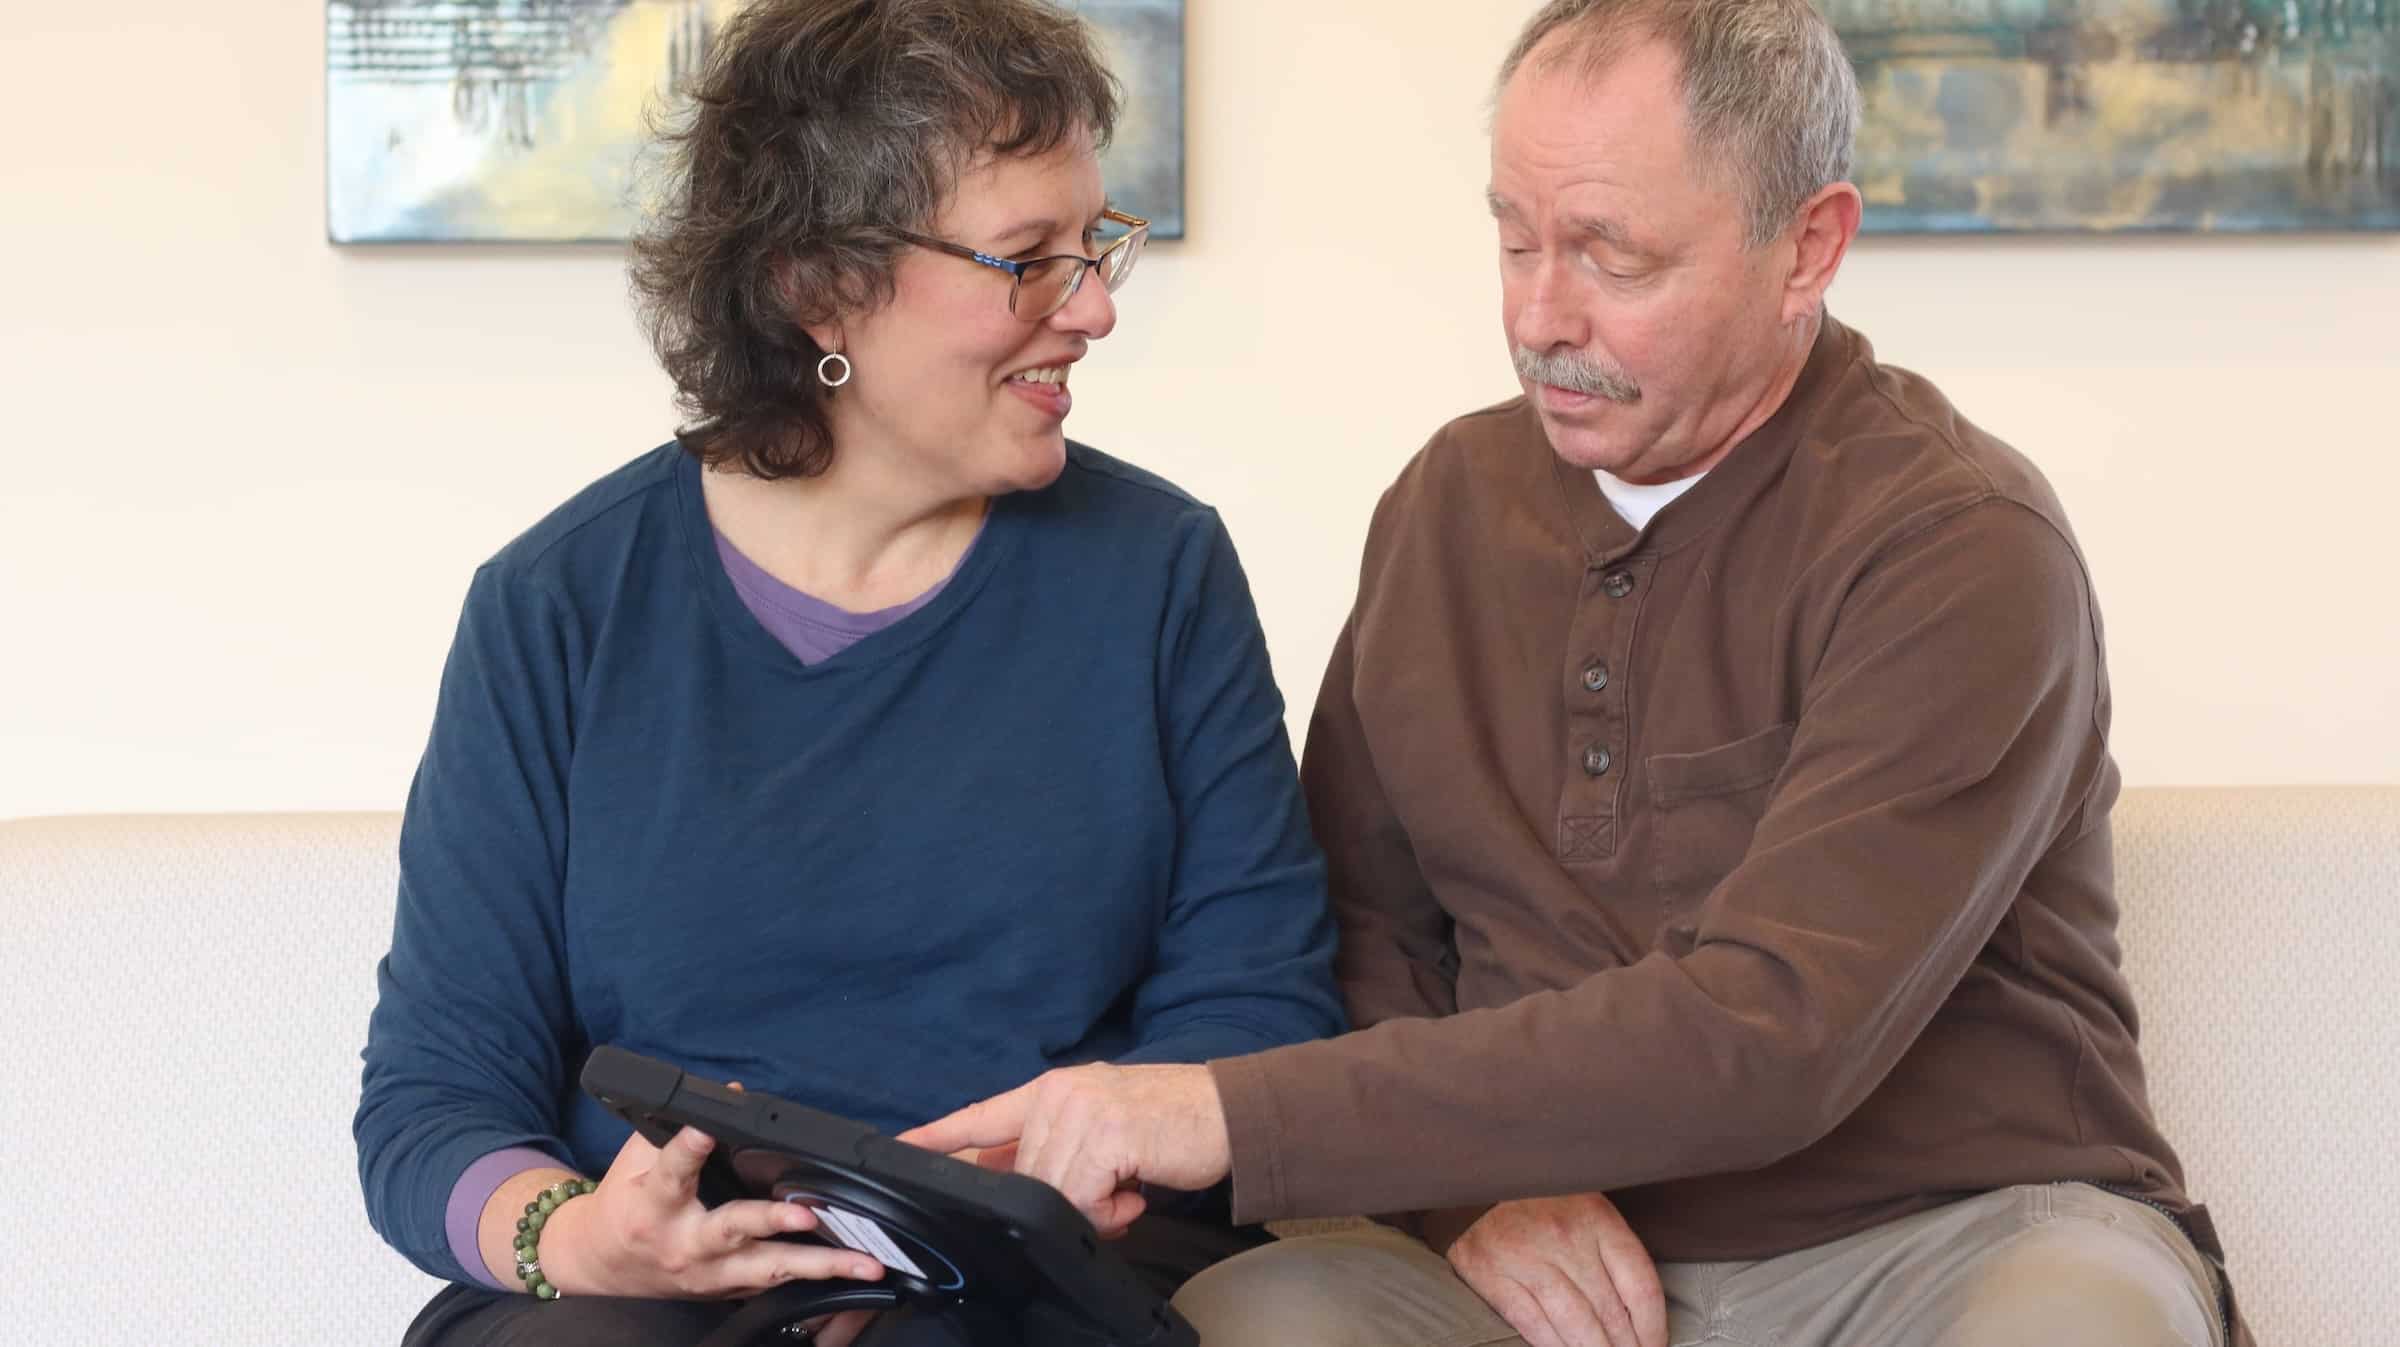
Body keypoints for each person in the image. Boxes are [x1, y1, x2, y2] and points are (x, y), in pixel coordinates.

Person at [903, 2, 2254, 1344]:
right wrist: (1463, 1192)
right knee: (1261, 1318)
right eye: (1515, 238)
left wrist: (1220, 1112)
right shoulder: (1446, 502)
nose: (1539, 314)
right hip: (1520, 1257)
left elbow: (1778, 1031)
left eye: (1613, 255)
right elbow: (1364, 932)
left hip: (1942, 1244)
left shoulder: (1959, 542)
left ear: (1809, 247)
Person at [353, 3, 1343, 1345]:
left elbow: (1258, 1007)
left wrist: (970, 1202)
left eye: (1096, 247)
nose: (1096, 309)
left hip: (1039, 1267)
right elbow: (435, 1097)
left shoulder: (1159, 572)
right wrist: (577, 1236)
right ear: (818, 284)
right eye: (1028, 262)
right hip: (663, 1297)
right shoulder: (557, 607)